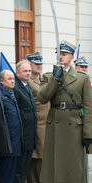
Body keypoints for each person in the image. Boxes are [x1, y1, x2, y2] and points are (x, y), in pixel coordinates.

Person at [38, 40, 92, 183]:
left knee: (72, 168)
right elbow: (42, 98)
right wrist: (55, 80)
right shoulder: (49, 76)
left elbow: (88, 107)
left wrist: (88, 133)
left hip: (74, 128)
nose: (61, 57)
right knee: (53, 168)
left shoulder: (82, 78)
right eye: (59, 54)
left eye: (64, 54)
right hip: (54, 128)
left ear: (72, 57)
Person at [26, 52, 50, 183]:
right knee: (36, 163)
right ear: (29, 64)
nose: (39, 66)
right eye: (36, 63)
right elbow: (42, 94)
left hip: (45, 126)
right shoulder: (29, 82)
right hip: (37, 126)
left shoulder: (41, 80)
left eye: (41, 63)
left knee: (43, 161)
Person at [13, 60, 37, 183]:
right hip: (21, 138)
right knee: (19, 171)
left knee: (24, 170)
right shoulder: (15, 87)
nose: (28, 73)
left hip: (29, 136)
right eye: (25, 71)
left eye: (29, 71)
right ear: (17, 72)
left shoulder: (27, 86)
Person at [0, 70, 23, 183]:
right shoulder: (0, 95)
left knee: (11, 174)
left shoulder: (10, 93)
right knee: (5, 175)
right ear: (1, 81)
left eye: (13, 78)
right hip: (7, 142)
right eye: (9, 79)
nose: (13, 81)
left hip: (15, 141)